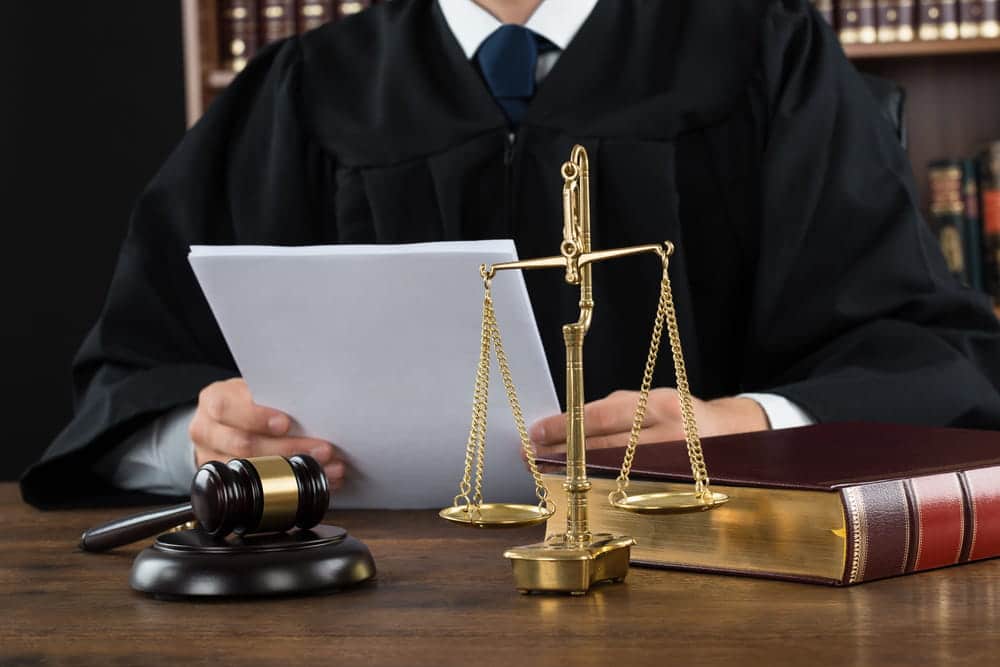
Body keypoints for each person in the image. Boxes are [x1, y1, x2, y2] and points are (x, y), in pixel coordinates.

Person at [21, 0, 1000, 507]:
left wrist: (743, 426)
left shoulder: (766, 56)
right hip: (368, 614)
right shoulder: (300, 91)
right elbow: (132, 383)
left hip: (720, 598)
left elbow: (930, 359)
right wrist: (206, 439)